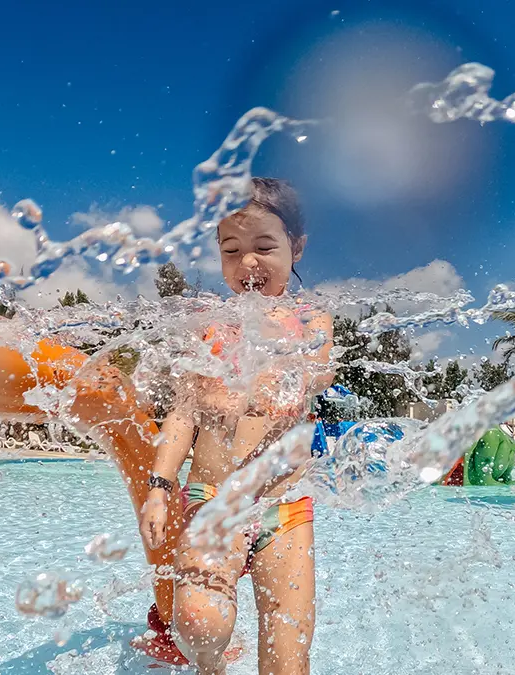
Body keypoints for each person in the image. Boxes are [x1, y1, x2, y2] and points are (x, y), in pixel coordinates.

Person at [140, 177, 333, 675]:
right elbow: (184, 413)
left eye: (264, 247)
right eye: (232, 250)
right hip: (212, 496)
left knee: (288, 658)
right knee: (201, 624)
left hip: (284, 507)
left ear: (297, 247)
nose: (248, 262)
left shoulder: (312, 320)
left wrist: (292, 360)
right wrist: (161, 485)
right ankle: (212, 666)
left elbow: (318, 372)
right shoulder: (208, 326)